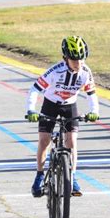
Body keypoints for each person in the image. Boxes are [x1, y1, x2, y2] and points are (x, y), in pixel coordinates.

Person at [25, 36, 100, 197]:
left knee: (71, 141)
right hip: (50, 104)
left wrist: (94, 111)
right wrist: (31, 110)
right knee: (44, 140)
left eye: (81, 59)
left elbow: (91, 93)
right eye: (73, 59)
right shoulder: (54, 71)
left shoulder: (86, 73)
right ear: (65, 58)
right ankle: (39, 175)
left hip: (69, 106)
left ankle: (72, 177)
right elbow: (35, 89)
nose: (78, 63)